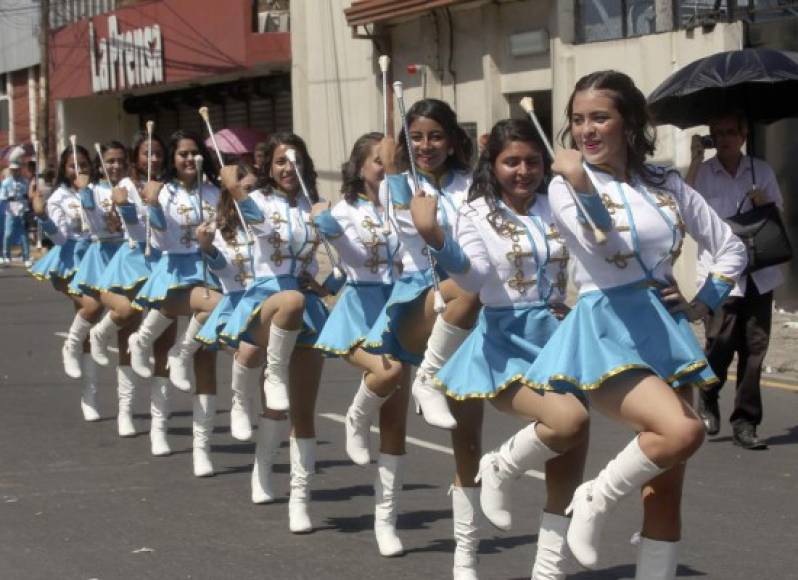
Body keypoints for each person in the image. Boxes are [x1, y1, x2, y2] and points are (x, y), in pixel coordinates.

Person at [523, 70, 746, 578]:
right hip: (605, 328)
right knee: (682, 430)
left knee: (665, 491)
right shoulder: (564, 187)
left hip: (664, 329)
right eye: (578, 120)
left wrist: (701, 301)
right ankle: (593, 498)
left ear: (630, 122)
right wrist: (579, 182)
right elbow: (604, 245)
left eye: (600, 117)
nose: (587, 130)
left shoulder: (666, 183)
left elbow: (730, 247)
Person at [415, 118, 590, 580]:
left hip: (558, 335)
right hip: (500, 342)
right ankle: (466, 556)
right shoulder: (476, 213)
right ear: (493, 164)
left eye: (533, 161)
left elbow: (593, 254)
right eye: (512, 161)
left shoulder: (558, 203)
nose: (523, 170)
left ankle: (548, 570)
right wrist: (436, 238)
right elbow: (470, 280)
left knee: (572, 445)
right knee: (472, 450)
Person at [362, 99, 481, 576]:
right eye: (417, 137)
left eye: (435, 136)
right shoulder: (400, 185)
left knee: (466, 435)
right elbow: (403, 220)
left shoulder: (474, 187)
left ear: (452, 139)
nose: (426, 145)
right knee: (393, 421)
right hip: (415, 299)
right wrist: (394, 164)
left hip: (463, 309)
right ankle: (385, 518)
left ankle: (465, 553)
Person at [218, 132, 328, 533]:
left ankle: (295, 494)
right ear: (268, 166)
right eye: (281, 161)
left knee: (299, 411)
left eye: (295, 161)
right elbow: (262, 232)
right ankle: (253, 384)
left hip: (305, 303)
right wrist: (237, 191)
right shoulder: (257, 202)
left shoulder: (310, 205)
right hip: (266, 298)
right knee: (289, 303)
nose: (288, 168)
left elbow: (315, 263)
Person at [311, 132, 409, 556]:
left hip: (398, 306)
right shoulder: (345, 210)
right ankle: (355, 416)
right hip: (358, 307)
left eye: (390, 161)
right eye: (377, 161)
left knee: (395, 426)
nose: (384, 168)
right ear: (360, 166)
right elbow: (348, 258)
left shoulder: (399, 203)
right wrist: (329, 228)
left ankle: (385, 520)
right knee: (387, 370)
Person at [686, 111, 784, 450]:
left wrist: (765, 202)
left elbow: (778, 214)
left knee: (754, 350)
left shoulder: (761, 170)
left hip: (760, 272)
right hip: (719, 273)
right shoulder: (704, 174)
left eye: (731, 132)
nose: (725, 138)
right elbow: (679, 209)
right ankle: (709, 393)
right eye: (718, 133)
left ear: (743, 135)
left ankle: (745, 421)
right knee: (719, 342)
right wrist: (695, 161)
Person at [131, 130, 223, 477]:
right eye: (181, 153)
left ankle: (202, 448)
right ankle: (158, 426)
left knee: (206, 361)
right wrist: (151, 204)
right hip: (173, 269)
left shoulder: (214, 192)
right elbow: (158, 238)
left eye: (193, 153)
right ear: (173, 159)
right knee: (164, 348)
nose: (188, 159)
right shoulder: (162, 191)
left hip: (210, 270)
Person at [91, 131, 176, 454]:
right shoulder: (124, 188)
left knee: (164, 347)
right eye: (146, 154)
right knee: (127, 327)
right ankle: (125, 410)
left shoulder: (170, 189)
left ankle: (159, 427)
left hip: (166, 265)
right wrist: (127, 207)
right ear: (135, 158)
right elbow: (136, 232)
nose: (153, 159)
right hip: (134, 262)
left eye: (157, 153)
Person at [28, 144, 98, 420]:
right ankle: (70, 344)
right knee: (90, 308)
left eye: (84, 164)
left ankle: (89, 395)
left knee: (93, 330)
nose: (79, 170)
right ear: (64, 170)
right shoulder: (58, 197)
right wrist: (43, 216)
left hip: (99, 259)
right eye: (73, 165)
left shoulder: (99, 191)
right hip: (70, 262)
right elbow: (58, 238)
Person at [1, 150, 32, 266]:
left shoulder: (25, 181)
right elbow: (2, 196)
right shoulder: (6, 182)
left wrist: (26, 198)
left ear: (19, 170)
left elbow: (28, 195)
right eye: (12, 170)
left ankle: (26, 257)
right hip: (10, 210)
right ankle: (6, 255)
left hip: (22, 210)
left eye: (16, 170)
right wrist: (9, 197)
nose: (15, 172)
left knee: (24, 234)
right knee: (8, 233)